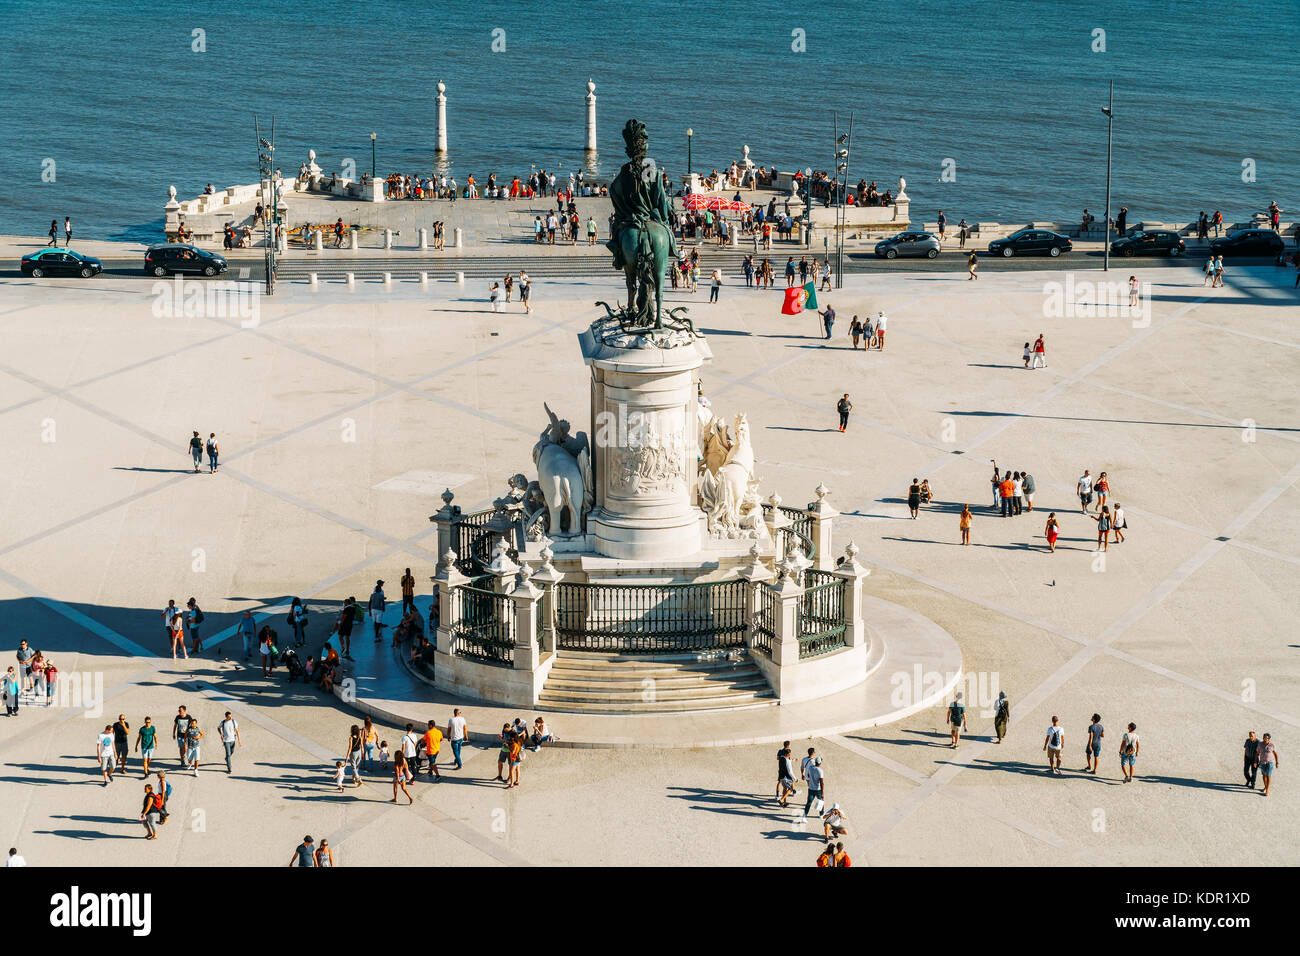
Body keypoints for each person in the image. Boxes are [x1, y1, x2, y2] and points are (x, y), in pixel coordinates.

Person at [776, 742, 796, 807]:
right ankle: (781, 800)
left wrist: (791, 760)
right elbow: (790, 771)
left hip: (781, 773)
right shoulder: (787, 759)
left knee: (784, 788)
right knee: (790, 789)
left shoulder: (781, 755)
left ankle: (784, 802)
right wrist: (795, 779)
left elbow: (778, 758)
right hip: (786, 776)